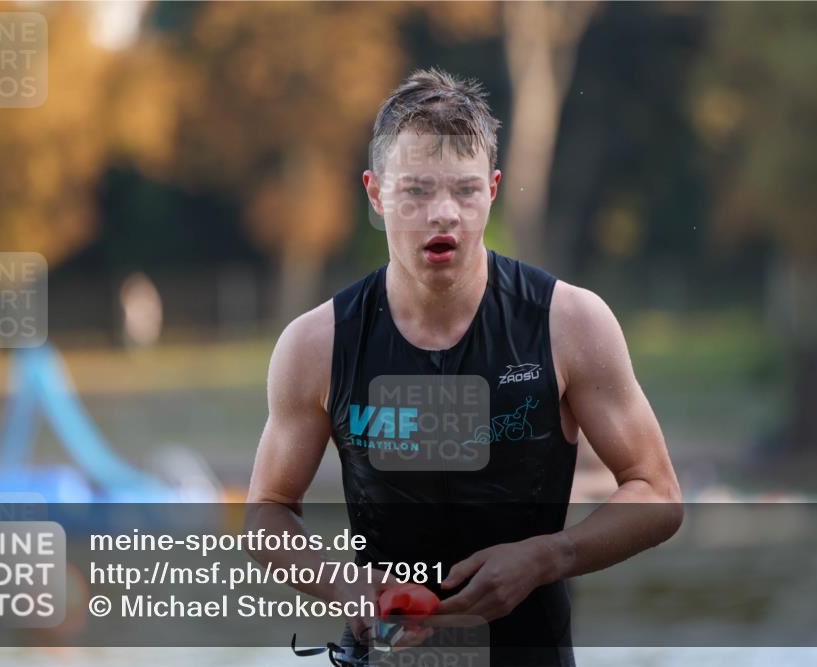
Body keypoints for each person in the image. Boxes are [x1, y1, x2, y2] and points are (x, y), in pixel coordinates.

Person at [247, 67, 683, 667]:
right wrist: (350, 588)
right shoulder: (316, 344)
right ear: (376, 194)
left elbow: (659, 493)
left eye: (465, 190)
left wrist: (545, 557)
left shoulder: (570, 323)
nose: (444, 213)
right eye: (417, 191)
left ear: (494, 189)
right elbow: (266, 512)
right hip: (391, 655)